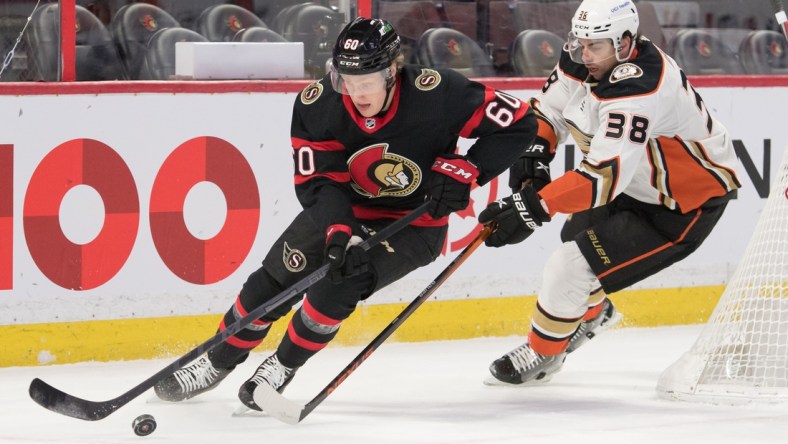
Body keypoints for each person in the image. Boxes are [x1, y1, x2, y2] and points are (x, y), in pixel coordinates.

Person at [153, 17, 537, 409]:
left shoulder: (439, 93)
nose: (354, 92)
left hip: (415, 223)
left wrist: (466, 171)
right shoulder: (317, 103)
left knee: (338, 285)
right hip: (345, 209)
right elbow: (320, 182)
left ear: (392, 70)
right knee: (272, 282)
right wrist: (341, 231)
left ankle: (282, 366)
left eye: (366, 81)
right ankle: (217, 362)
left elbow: (521, 124)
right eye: (345, 80)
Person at [478, 0, 741, 386]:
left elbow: (602, 177)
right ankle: (594, 313)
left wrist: (534, 206)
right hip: (634, 184)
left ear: (624, 42)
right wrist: (535, 154)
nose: (583, 55)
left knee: (569, 267)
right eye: (579, 43)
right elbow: (548, 111)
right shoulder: (587, 56)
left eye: (594, 46)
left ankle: (543, 355)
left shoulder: (640, 88)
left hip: (680, 206)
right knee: (575, 243)